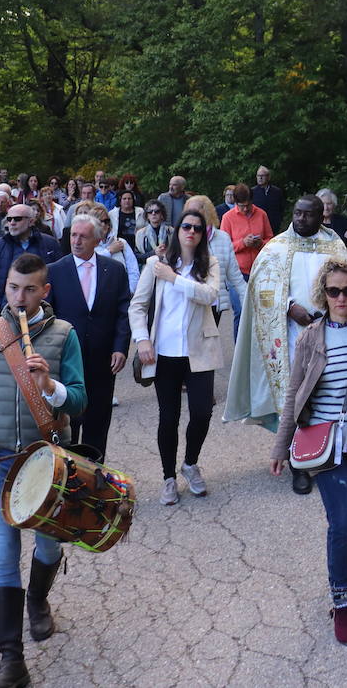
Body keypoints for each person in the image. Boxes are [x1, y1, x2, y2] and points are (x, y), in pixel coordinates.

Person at [0, 254, 85, 687]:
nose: (20, 298)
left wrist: (51, 387)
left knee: (47, 549)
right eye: (12, 288)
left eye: (29, 289)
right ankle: (12, 661)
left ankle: (39, 601)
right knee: (3, 558)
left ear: (45, 291)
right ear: (4, 288)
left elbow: (81, 400)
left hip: (46, 465)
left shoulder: (64, 335)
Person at [269, 258, 347, 645]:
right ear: (324, 294)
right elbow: (294, 394)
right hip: (329, 448)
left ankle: (343, 553)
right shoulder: (311, 337)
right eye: (334, 291)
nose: (341, 298)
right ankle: (342, 602)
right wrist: (280, 445)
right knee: (342, 524)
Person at [225, 195, 347, 494]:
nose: (301, 219)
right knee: (296, 399)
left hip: (329, 331)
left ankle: (327, 452)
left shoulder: (335, 247)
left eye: (308, 215)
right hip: (291, 334)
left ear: (321, 216)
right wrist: (291, 307)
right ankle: (299, 463)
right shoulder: (276, 248)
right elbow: (262, 287)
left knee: (328, 393)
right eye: (297, 213)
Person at [130, 209, 224, 505]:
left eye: (197, 228)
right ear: (177, 230)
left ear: (202, 235)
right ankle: (168, 477)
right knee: (168, 418)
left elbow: (210, 295)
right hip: (164, 354)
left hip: (198, 352)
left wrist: (174, 278)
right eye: (186, 226)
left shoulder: (209, 264)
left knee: (201, 413)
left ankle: (190, 463)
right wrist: (142, 339)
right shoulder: (155, 264)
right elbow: (138, 305)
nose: (191, 232)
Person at [46, 213, 131, 461]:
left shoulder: (114, 270)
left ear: (97, 239)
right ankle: (67, 483)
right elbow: (47, 316)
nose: (77, 241)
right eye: (73, 235)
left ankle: (96, 481)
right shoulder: (55, 271)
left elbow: (123, 312)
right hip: (67, 363)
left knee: (98, 423)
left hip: (102, 361)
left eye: (83, 236)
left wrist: (121, 348)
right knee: (68, 427)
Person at [184, 194, 248, 332]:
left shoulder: (223, 238)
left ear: (206, 211)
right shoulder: (182, 237)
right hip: (189, 302)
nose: (191, 215)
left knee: (208, 346)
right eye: (188, 212)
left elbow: (235, 276)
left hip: (214, 303)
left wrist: (248, 302)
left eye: (195, 211)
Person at [0, 204, 64, 307]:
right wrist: (0, 307)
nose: (12, 223)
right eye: (9, 219)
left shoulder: (50, 244)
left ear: (31, 221)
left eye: (17, 219)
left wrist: (48, 306)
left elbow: (60, 279)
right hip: (7, 312)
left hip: (43, 313)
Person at [220, 183, 274, 278]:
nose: (245, 209)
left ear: (252, 201)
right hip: (238, 272)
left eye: (248, 205)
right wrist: (243, 243)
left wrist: (261, 243)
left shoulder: (262, 214)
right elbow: (223, 247)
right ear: (235, 203)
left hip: (261, 269)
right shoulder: (227, 218)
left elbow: (271, 240)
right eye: (241, 206)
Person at [317, 188, 347, 254]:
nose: (326, 208)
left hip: (342, 262)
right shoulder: (313, 222)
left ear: (334, 205)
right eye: (323, 204)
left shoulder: (341, 221)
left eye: (329, 204)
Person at [251, 164, 285, 230]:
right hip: (257, 225)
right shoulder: (252, 192)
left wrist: (279, 220)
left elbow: (281, 208)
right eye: (258, 176)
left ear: (268, 177)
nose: (260, 178)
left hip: (273, 225)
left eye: (262, 176)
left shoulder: (277, 191)